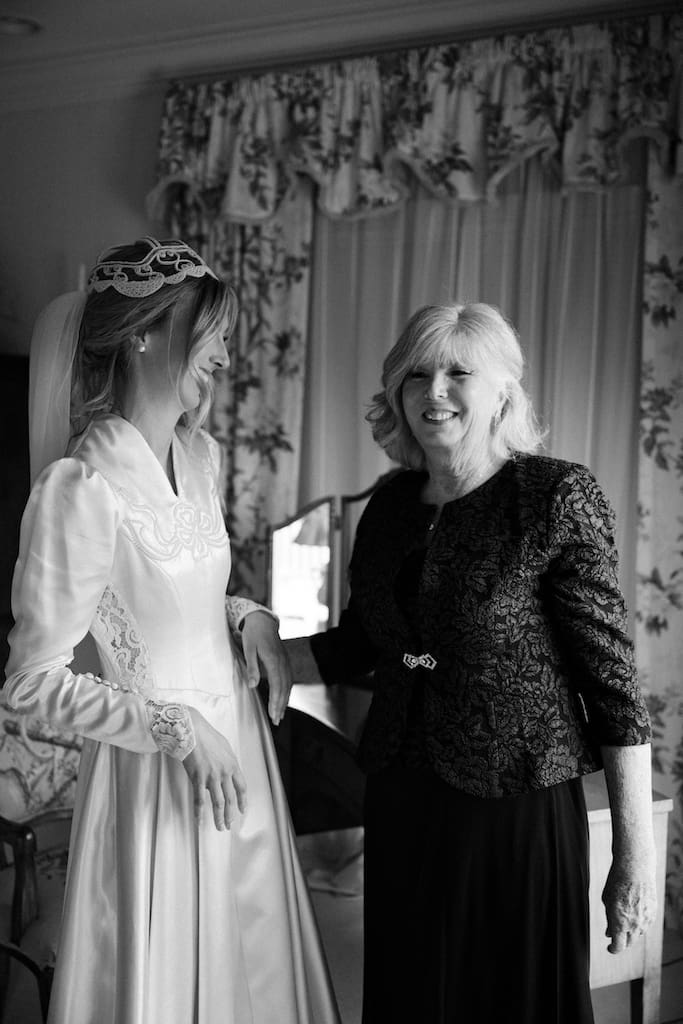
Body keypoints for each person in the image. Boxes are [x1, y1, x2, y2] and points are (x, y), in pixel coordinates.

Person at [287, 302, 657, 1024]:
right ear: (395, 391)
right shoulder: (390, 505)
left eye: (459, 372)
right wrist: (251, 646)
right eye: (417, 374)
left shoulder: (553, 495)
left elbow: (612, 689)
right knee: (413, 995)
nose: (434, 393)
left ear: (503, 394)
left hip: (514, 807)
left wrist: (633, 858)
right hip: (402, 797)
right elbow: (360, 641)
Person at [3, 237, 340, 1024]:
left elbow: (175, 593)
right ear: (143, 333)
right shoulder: (78, 487)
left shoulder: (202, 456)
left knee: (249, 967)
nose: (224, 354)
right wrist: (169, 725)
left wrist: (244, 612)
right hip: (155, 766)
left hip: (238, 748)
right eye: (211, 332)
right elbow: (30, 681)